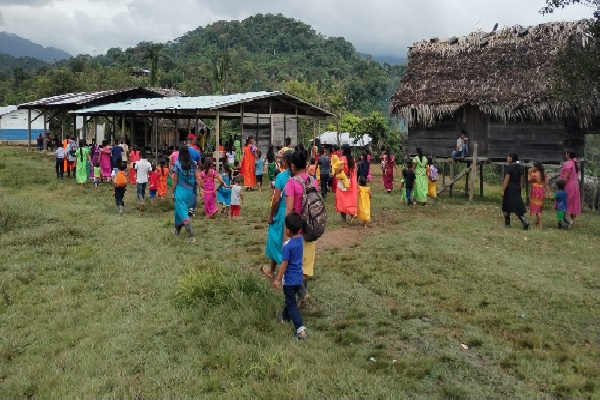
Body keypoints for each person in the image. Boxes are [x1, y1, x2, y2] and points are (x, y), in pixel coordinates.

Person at [273, 212, 307, 340]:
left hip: (289, 281)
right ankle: (285, 318)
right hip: (298, 277)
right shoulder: (300, 240)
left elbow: (284, 265)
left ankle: (300, 329)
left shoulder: (287, 246)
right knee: (290, 299)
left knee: (291, 304)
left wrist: (277, 280)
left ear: (287, 229)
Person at [263, 150, 293, 279]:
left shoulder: (281, 177)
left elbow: (276, 200)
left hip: (282, 212)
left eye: (282, 159)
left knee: (276, 239)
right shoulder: (300, 176)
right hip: (296, 212)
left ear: (285, 162)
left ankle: (274, 271)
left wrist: (271, 215)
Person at [172, 146, 200, 241]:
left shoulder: (177, 164)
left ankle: (190, 233)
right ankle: (177, 230)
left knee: (182, 210)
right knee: (178, 209)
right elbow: (197, 177)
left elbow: (175, 179)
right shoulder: (193, 164)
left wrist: (172, 191)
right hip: (189, 191)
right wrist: (200, 189)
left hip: (180, 190)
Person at [500, 153, 529, 229]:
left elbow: (507, 179)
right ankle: (524, 220)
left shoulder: (509, 167)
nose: (507, 158)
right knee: (517, 205)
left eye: (508, 157)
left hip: (509, 187)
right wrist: (520, 187)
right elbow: (521, 179)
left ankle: (507, 223)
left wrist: (503, 190)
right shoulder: (520, 167)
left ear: (511, 158)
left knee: (506, 205)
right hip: (517, 187)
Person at [335, 144, 357, 222]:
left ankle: (343, 218)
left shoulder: (342, 158)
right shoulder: (352, 159)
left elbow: (341, 168)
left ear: (344, 150)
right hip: (350, 180)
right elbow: (354, 171)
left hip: (343, 181)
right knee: (349, 198)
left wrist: (335, 172)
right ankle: (352, 214)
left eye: (342, 149)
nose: (341, 151)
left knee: (341, 198)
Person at [559, 151, 581, 226]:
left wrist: (562, 184)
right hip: (575, 185)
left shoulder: (568, 163)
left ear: (568, 155)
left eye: (566, 153)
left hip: (568, 185)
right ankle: (573, 221)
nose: (565, 154)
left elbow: (566, 176)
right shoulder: (574, 163)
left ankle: (563, 220)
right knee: (573, 202)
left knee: (565, 202)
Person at [528, 161, 549, 227]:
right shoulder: (543, 173)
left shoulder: (534, 174)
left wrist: (529, 172)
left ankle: (540, 224)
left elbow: (529, 180)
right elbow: (546, 184)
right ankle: (537, 221)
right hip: (541, 190)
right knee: (539, 206)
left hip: (535, 190)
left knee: (536, 206)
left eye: (533, 166)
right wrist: (549, 192)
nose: (532, 167)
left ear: (536, 168)